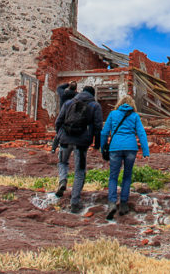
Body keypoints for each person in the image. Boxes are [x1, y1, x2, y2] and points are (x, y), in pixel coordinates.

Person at [53, 84, 103, 213]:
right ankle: (74, 202)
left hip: (65, 139)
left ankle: (63, 180)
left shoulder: (69, 102)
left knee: (63, 162)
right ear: (93, 94)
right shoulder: (95, 106)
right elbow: (98, 127)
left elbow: (58, 121)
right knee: (79, 171)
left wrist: (59, 135)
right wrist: (97, 144)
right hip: (82, 142)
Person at [100, 94, 150, 219]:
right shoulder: (134, 116)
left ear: (119, 103)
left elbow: (104, 132)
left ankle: (112, 203)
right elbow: (141, 133)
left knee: (113, 176)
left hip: (115, 148)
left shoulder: (113, 114)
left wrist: (103, 148)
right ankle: (123, 204)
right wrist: (145, 151)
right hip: (131, 148)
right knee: (127, 176)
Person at [51, 82, 79, 152]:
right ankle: (74, 148)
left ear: (69, 87)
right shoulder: (78, 95)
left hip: (63, 116)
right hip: (73, 117)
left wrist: (67, 84)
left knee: (59, 132)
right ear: (76, 89)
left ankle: (53, 149)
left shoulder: (63, 94)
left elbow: (59, 88)